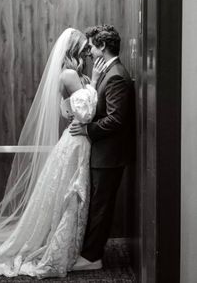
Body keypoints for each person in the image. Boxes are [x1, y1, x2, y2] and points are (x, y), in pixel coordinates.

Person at [0, 28, 105, 279]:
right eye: (84, 49)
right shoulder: (70, 74)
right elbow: (85, 114)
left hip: (77, 141)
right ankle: (61, 247)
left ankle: (72, 245)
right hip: (74, 144)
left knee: (70, 195)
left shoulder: (73, 74)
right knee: (71, 195)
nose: (88, 54)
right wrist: (93, 81)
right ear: (74, 50)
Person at [70, 25, 135, 270]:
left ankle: (92, 258)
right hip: (103, 152)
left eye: (91, 47)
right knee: (98, 204)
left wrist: (87, 129)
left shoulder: (117, 74)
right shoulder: (107, 71)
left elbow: (116, 119)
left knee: (101, 206)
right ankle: (90, 253)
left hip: (110, 155)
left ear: (103, 47)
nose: (88, 52)